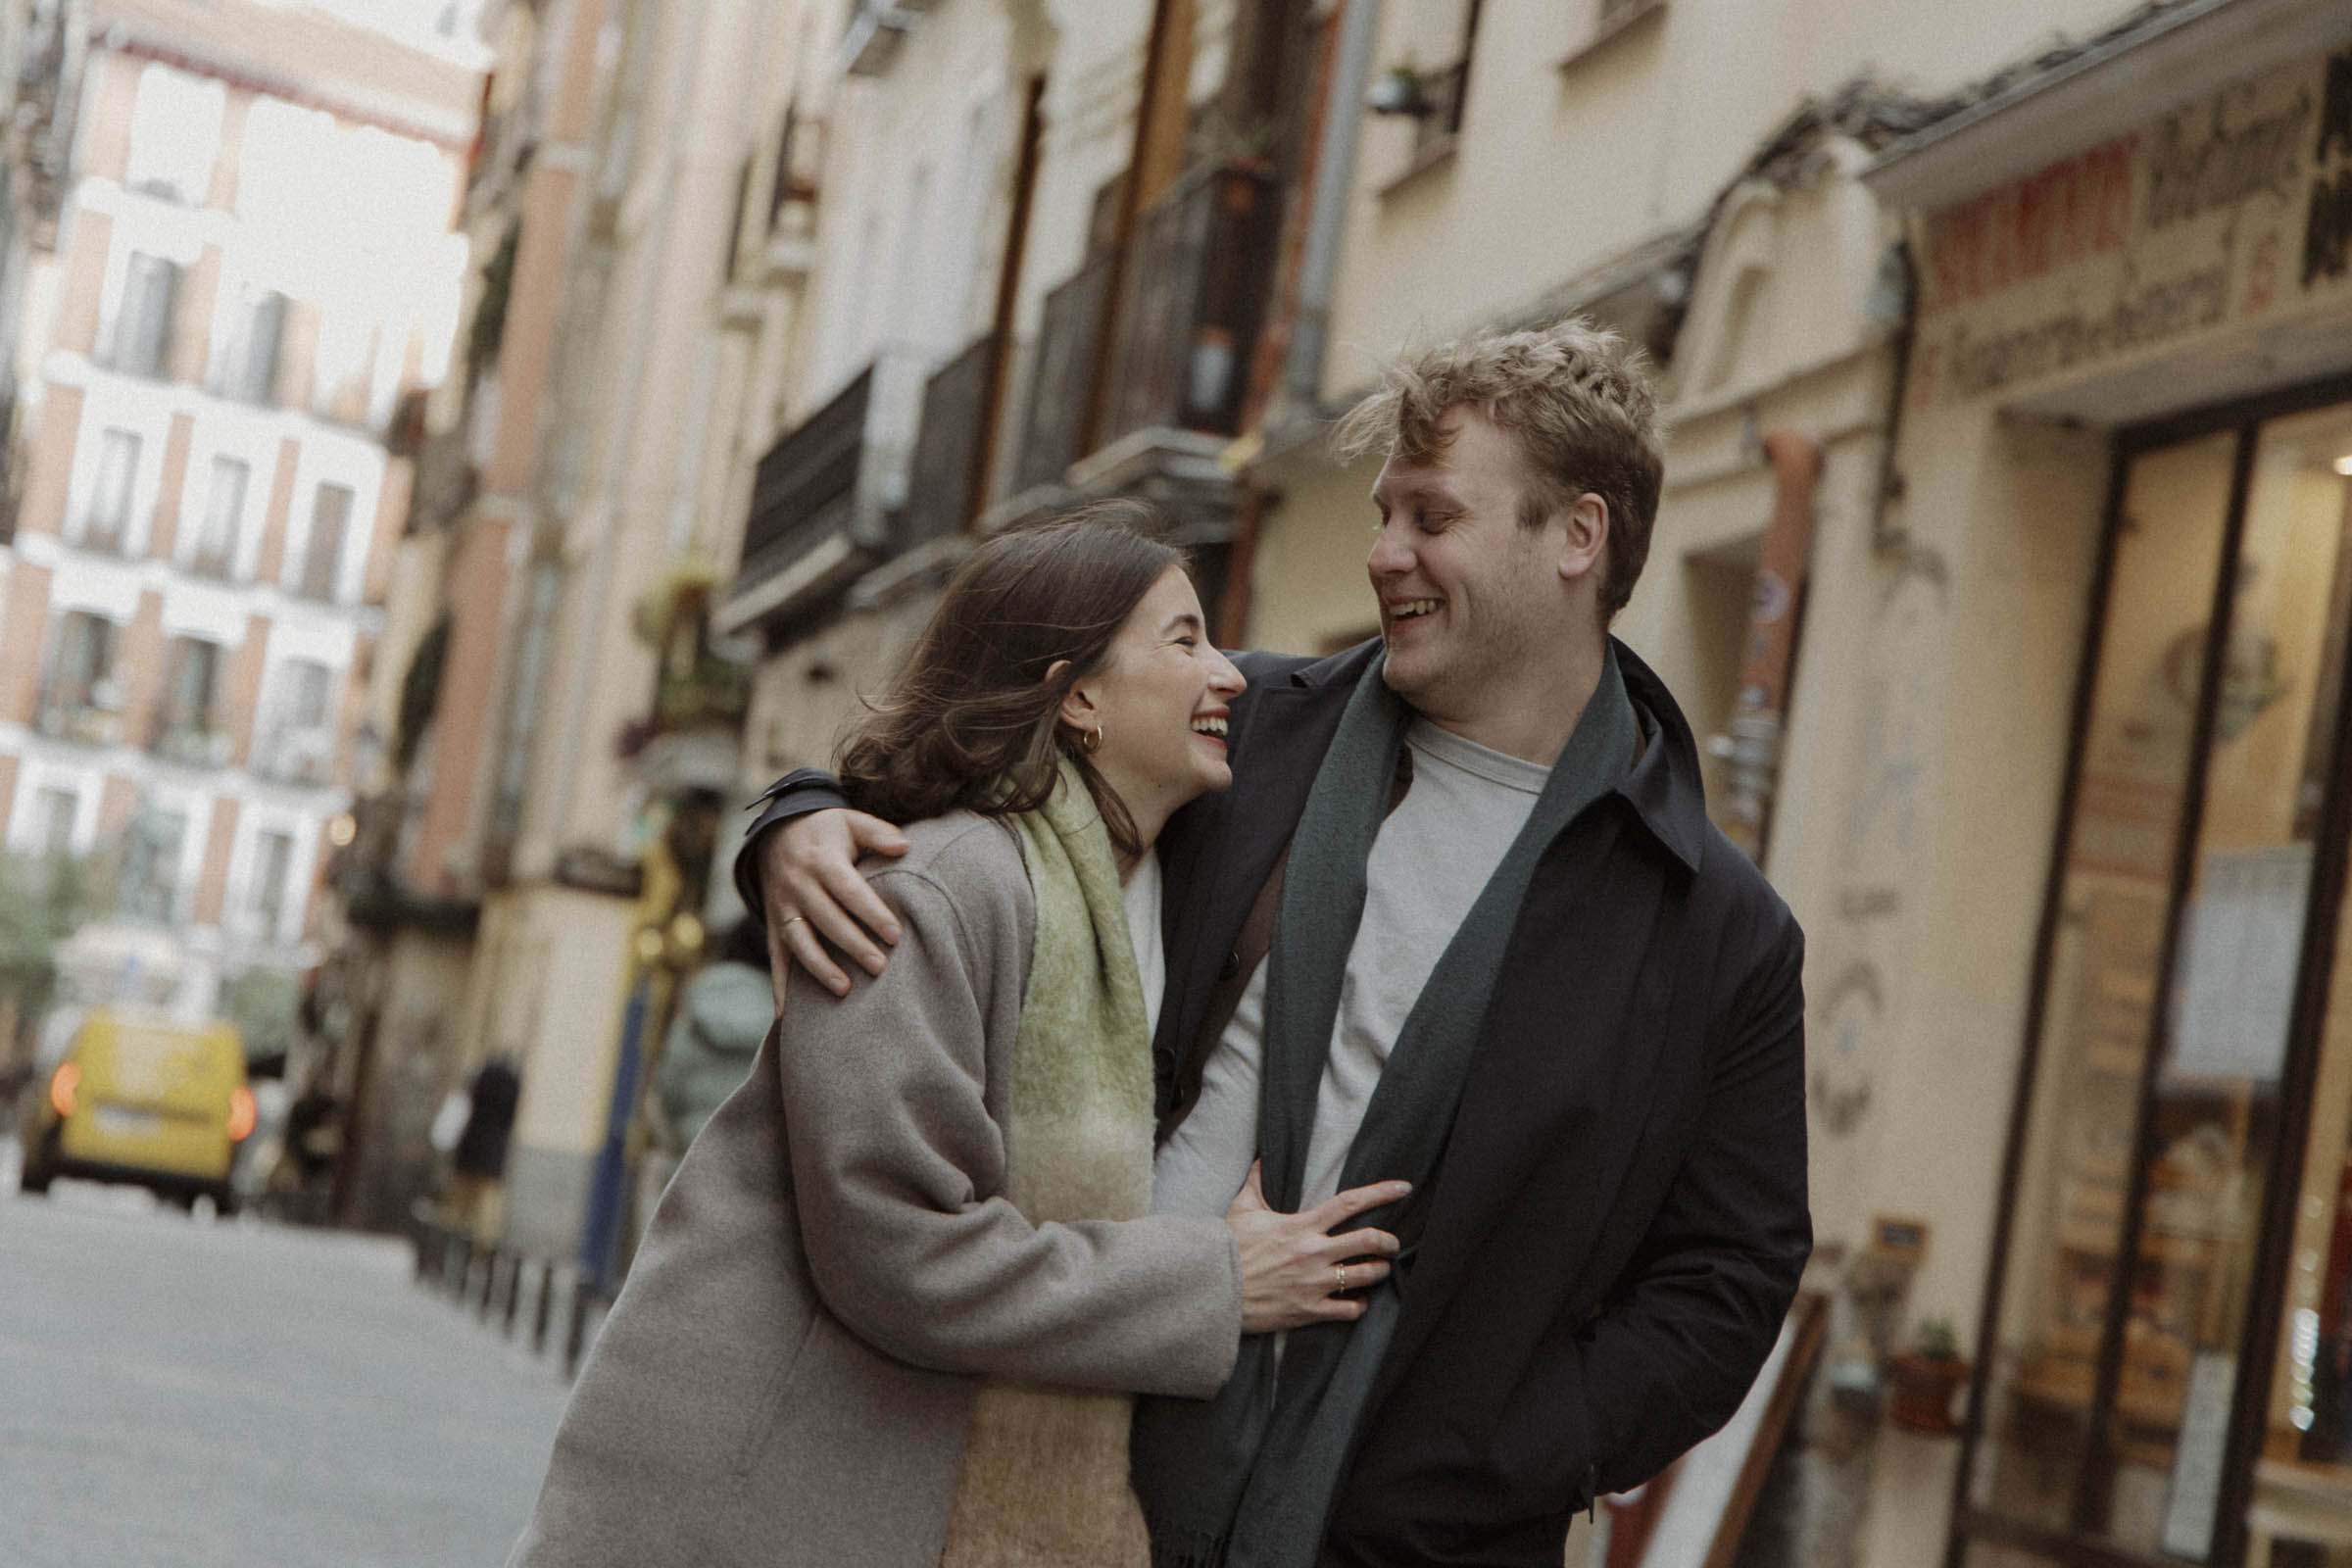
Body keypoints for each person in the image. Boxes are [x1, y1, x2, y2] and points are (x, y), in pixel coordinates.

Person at [744, 318, 1811, 1567]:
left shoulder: (1715, 927)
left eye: (1432, 517)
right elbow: (956, 761)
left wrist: (1500, 1454)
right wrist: (798, 819)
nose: (1385, 553)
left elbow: (1730, 1276)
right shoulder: (1239, 728)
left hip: (1415, 1538)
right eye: (1383, 514)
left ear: (1579, 535)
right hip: (1064, 1467)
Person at [508, 506, 1411, 1568]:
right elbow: (899, 1252)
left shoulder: (1147, 883)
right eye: (1185, 641)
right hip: (756, 1501)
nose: (1229, 675)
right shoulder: (941, 887)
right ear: (1077, 696)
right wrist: (1213, 1283)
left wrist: (792, 810)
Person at [653, 918, 771, 1152]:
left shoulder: (699, 1003)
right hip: (763, 1158)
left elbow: (668, 1087)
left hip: (695, 1150)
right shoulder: (791, 1012)